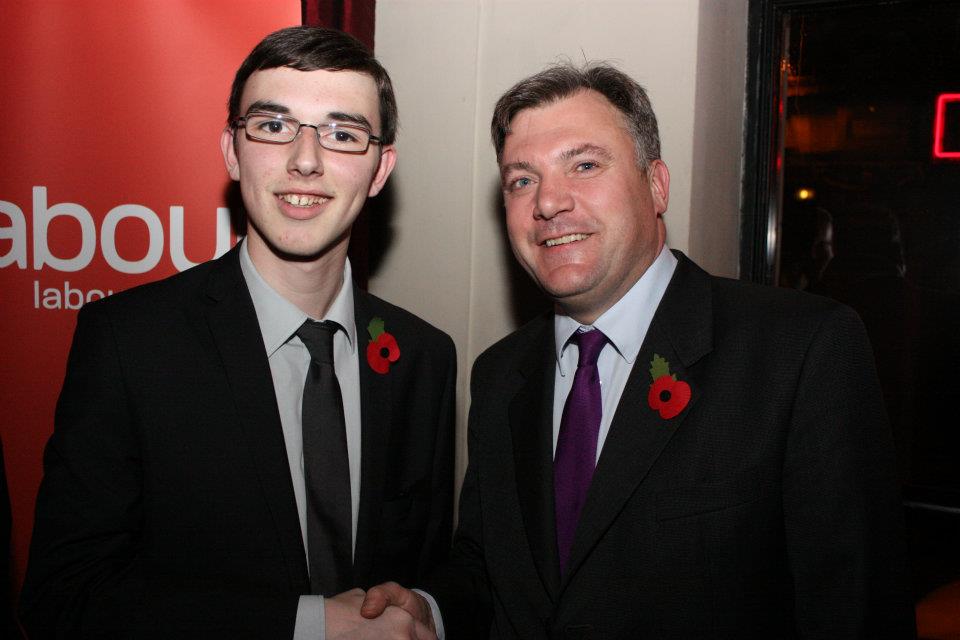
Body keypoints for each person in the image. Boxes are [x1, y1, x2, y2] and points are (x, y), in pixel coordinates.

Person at [361, 63, 915, 638]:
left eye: (584, 165)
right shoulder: (500, 375)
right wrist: (434, 607)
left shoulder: (800, 351)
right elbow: (491, 567)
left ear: (656, 185)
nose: (548, 203)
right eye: (522, 180)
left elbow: (859, 608)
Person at [20, 26, 454, 640]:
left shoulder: (424, 357)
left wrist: (425, 608)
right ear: (232, 150)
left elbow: (429, 567)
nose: (306, 160)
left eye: (341, 133)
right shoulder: (129, 345)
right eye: (274, 127)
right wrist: (309, 625)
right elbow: (64, 596)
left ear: (380, 169)